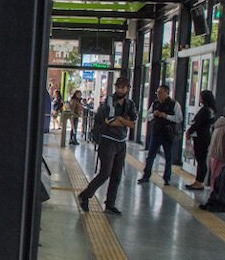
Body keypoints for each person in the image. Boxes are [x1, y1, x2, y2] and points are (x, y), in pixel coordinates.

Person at [77, 77, 137, 214]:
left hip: (121, 142)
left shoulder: (130, 104)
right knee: (105, 173)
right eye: (118, 87)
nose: (120, 90)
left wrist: (120, 119)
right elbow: (110, 120)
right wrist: (124, 120)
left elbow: (133, 124)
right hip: (107, 141)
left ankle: (110, 204)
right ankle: (85, 195)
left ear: (127, 89)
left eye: (122, 87)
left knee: (117, 175)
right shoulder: (110, 100)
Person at [138, 84, 183, 185]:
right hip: (156, 133)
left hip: (168, 134)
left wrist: (166, 116)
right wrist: (153, 115)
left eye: (160, 93)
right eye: (157, 93)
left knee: (168, 156)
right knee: (151, 155)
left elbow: (179, 118)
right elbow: (148, 116)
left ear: (167, 93)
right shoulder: (155, 103)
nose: (158, 95)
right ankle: (146, 175)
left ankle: (167, 178)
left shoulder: (174, 104)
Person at [184, 90, 217, 190]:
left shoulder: (205, 110)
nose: (200, 98)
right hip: (206, 137)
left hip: (201, 138)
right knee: (202, 159)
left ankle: (199, 182)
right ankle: (199, 181)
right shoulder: (212, 110)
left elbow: (198, 124)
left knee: (201, 160)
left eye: (201, 97)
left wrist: (189, 131)